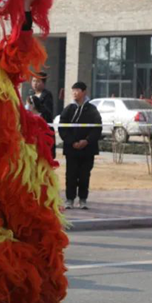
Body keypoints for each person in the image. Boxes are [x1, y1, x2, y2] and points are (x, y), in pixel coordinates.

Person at [58, 82, 102, 210]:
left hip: (87, 149)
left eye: (77, 90)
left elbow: (97, 128)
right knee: (71, 175)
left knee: (84, 175)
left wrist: (86, 141)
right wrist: (72, 142)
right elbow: (63, 128)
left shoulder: (92, 110)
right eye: (73, 91)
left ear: (84, 92)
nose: (75, 93)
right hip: (72, 149)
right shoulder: (68, 109)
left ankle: (83, 199)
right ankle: (69, 199)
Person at [27, 72, 55, 158]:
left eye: (38, 81)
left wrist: (37, 103)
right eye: (34, 81)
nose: (35, 83)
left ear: (43, 83)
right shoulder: (31, 95)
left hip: (44, 130)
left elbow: (48, 113)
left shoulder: (47, 95)